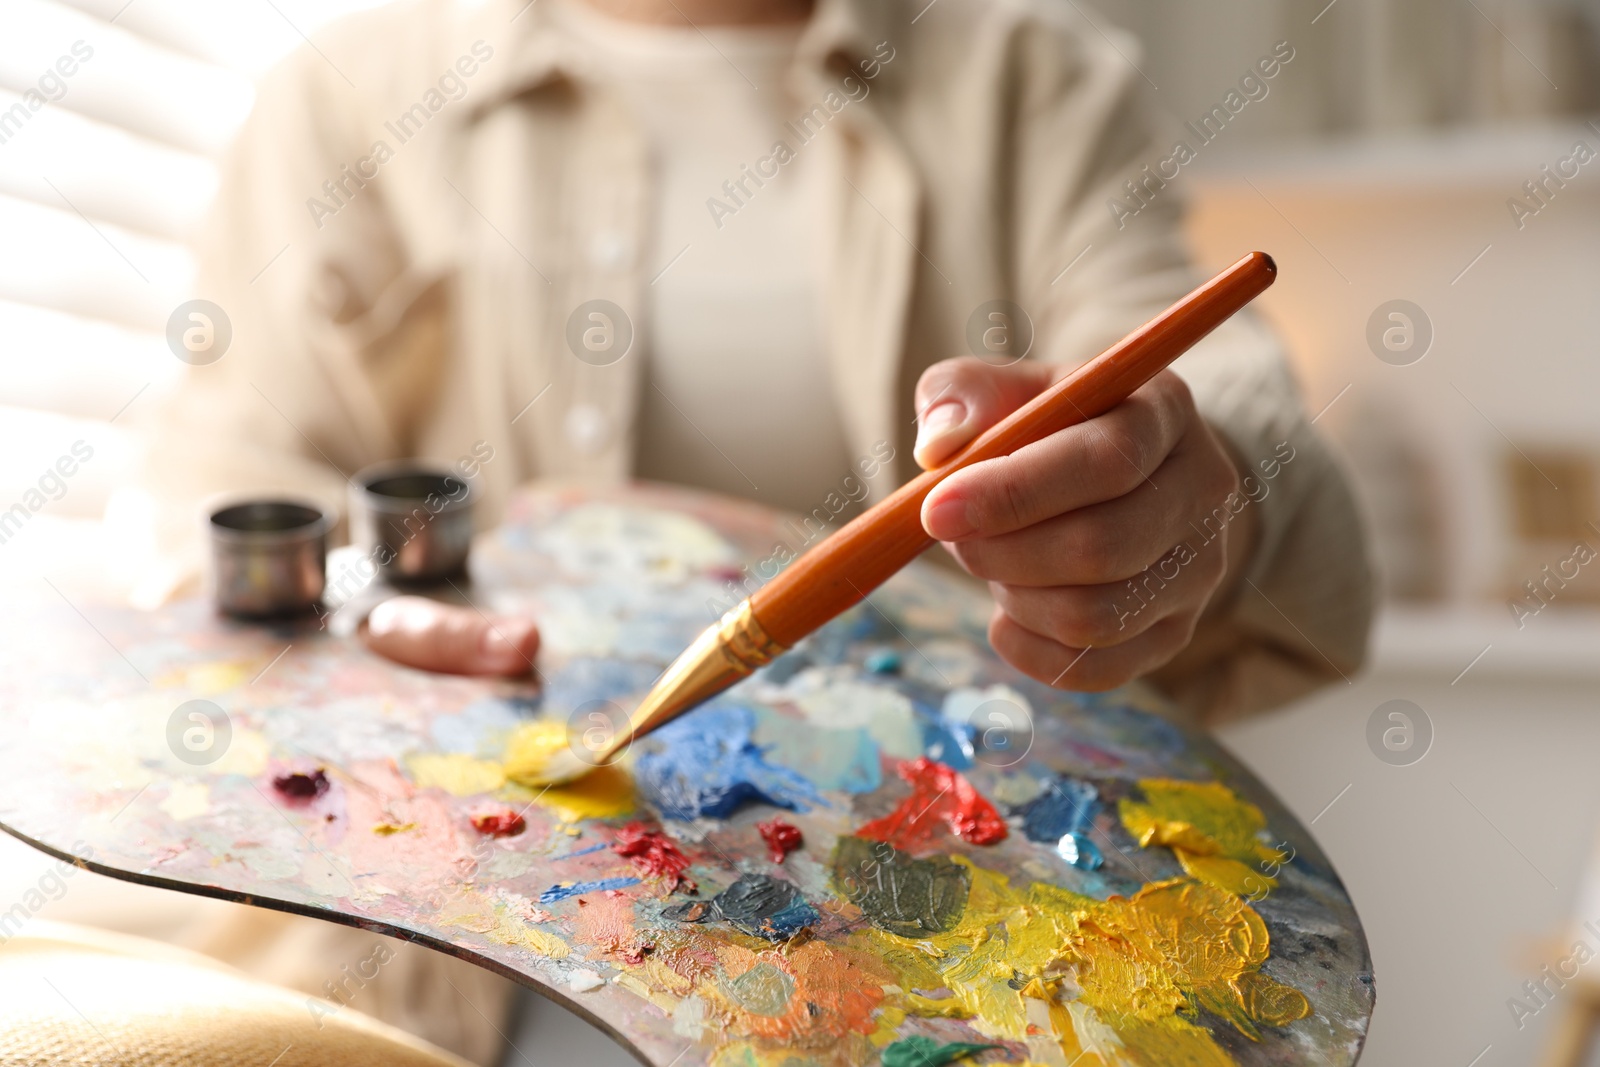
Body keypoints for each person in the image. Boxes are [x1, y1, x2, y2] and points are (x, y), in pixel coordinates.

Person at [132, 0, 1374, 1059]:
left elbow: (1256, 429)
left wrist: (1177, 483)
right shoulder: (349, 98)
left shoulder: (1028, 74)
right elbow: (213, 488)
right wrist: (358, 598)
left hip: (920, 962)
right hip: (435, 973)